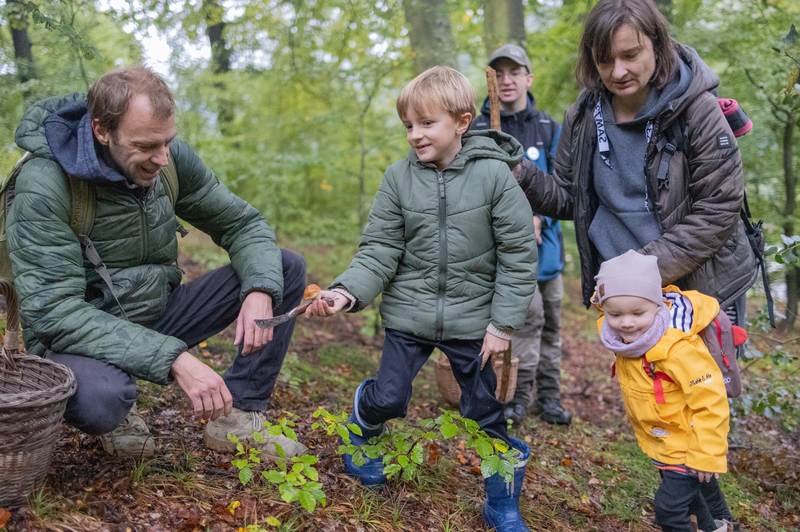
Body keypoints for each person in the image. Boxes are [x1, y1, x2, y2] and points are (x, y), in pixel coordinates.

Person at [7, 66, 307, 460]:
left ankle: (240, 416)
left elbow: (242, 223)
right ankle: (120, 413)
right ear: (102, 131)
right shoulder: (46, 182)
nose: (162, 158)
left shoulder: (169, 159)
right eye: (147, 146)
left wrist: (260, 291)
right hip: (79, 339)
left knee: (282, 268)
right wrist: (175, 358)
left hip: (157, 311)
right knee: (104, 401)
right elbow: (54, 313)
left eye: (168, 142)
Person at [306, 66, 537, 532]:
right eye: (408, 125)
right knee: (389, 395)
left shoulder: (495, 177)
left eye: (426, 123)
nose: (414, 135)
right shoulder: (398, 178)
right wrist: (346, 293)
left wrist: (502, 325)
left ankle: (501, 502)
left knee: (485, 412)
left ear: (462, 122)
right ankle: (362, 429)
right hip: (409, 314)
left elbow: (518, 256)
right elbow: (380, 248)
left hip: (474, 322)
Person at [513, 0, 756, 329]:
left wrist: (642, 267)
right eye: (604, 60)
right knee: (642, 384)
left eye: (630, 55)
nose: (617, 71)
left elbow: (719, 207)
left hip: (701, 290)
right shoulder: (582, 116)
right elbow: (571, 199)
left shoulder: (698, 110)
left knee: (704, 381)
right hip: (627, 300)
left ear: (658, 46)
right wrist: (518, 171)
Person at [593, 251, 734, 532]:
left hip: (688, 444)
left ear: (658, 307)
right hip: (665, 441)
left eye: (637, 313)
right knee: (694, 500)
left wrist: (707, 454)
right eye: (615, 314)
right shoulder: (627, 342)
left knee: (670, 509)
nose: (626, 322)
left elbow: (711, 401)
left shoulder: (678, 348)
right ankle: (720, 527)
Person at [471, 44, 571, 426]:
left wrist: (539, 219)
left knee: (553, 324)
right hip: (505, 253)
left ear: (528, 78)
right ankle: (517, 396)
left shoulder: (548, 128)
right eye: (499, 73)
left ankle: (550, 396)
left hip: (547, 250)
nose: (507, 80)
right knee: (525, 320)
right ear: (490, 80)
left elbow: (563, 190)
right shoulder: (478, 128)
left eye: (515, 72)